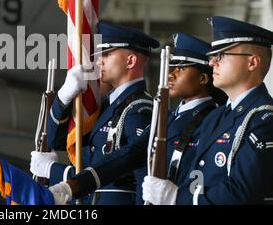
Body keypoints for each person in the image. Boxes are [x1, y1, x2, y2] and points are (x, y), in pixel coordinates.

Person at [48, 33, 226, 204]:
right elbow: (128, 156)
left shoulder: (214, 119)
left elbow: (139, 171)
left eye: (180, 68)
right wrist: (71, 186)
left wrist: (60, 174)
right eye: (171, 67)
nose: (171, 74)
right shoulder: (169, 116)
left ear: (203, 78)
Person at [143, 16, 273, 205]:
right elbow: (197, 176)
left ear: (252, 62)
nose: (212, 63)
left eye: (221, 56)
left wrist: (177, 198)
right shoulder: (215, 117)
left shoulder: (263, 119)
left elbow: (241, 193)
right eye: (212, 57)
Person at [30, 21, 159, 205]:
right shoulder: (105, 105)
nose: (99, 61)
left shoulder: (139, 110)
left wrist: (54, 170)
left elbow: (138, 174)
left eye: (106, 54)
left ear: (130, 61)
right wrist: (63, 99)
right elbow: (56, 141)